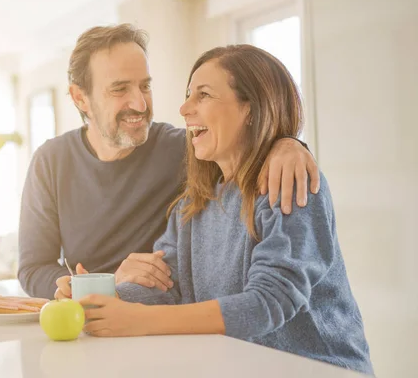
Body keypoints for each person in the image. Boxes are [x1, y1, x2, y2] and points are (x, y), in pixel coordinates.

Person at [55, 44, 373, 375]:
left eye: (203, 95)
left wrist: (141, 320)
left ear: (250, 107)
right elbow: (166, 288)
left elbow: (269, 303)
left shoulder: (286, 182)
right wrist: (95, 299)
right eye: (188, 94)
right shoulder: (193, 207)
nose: (184, 108)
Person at [18, 24, 320, 301]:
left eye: (145, 86)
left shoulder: (185, 149)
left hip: (158, 316)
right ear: (80, 98)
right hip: (93, 316)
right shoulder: (50, 162)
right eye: (120, 89)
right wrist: (102, 285)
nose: (140, 104)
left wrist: (288, 143)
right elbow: (33, 268)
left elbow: (245, 142)